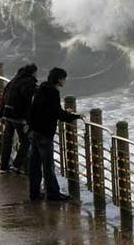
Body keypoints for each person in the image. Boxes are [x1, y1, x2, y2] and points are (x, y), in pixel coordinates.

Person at [28, 67, 81, 201]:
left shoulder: (41, 89)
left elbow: (39, 109)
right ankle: (53, 194)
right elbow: (57, 114)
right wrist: (75, 116)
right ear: (59, 79)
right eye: (64, 78)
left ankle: (34, 193)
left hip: (35, 131)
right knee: (48, 165)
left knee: (35, 165)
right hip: (45, 133)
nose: (65, 81)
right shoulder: (53, 92)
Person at [0, 63, 38, 174]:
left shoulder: (13, 81)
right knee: (26, 141)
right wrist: (29, 121)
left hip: (8, 114)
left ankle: (3, 167)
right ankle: (17, 165)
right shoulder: (28, 83)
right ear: (32, 73)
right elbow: (27, 104)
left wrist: (1, 114)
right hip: (18, 117)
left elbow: (3, 98)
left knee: (7, 141)